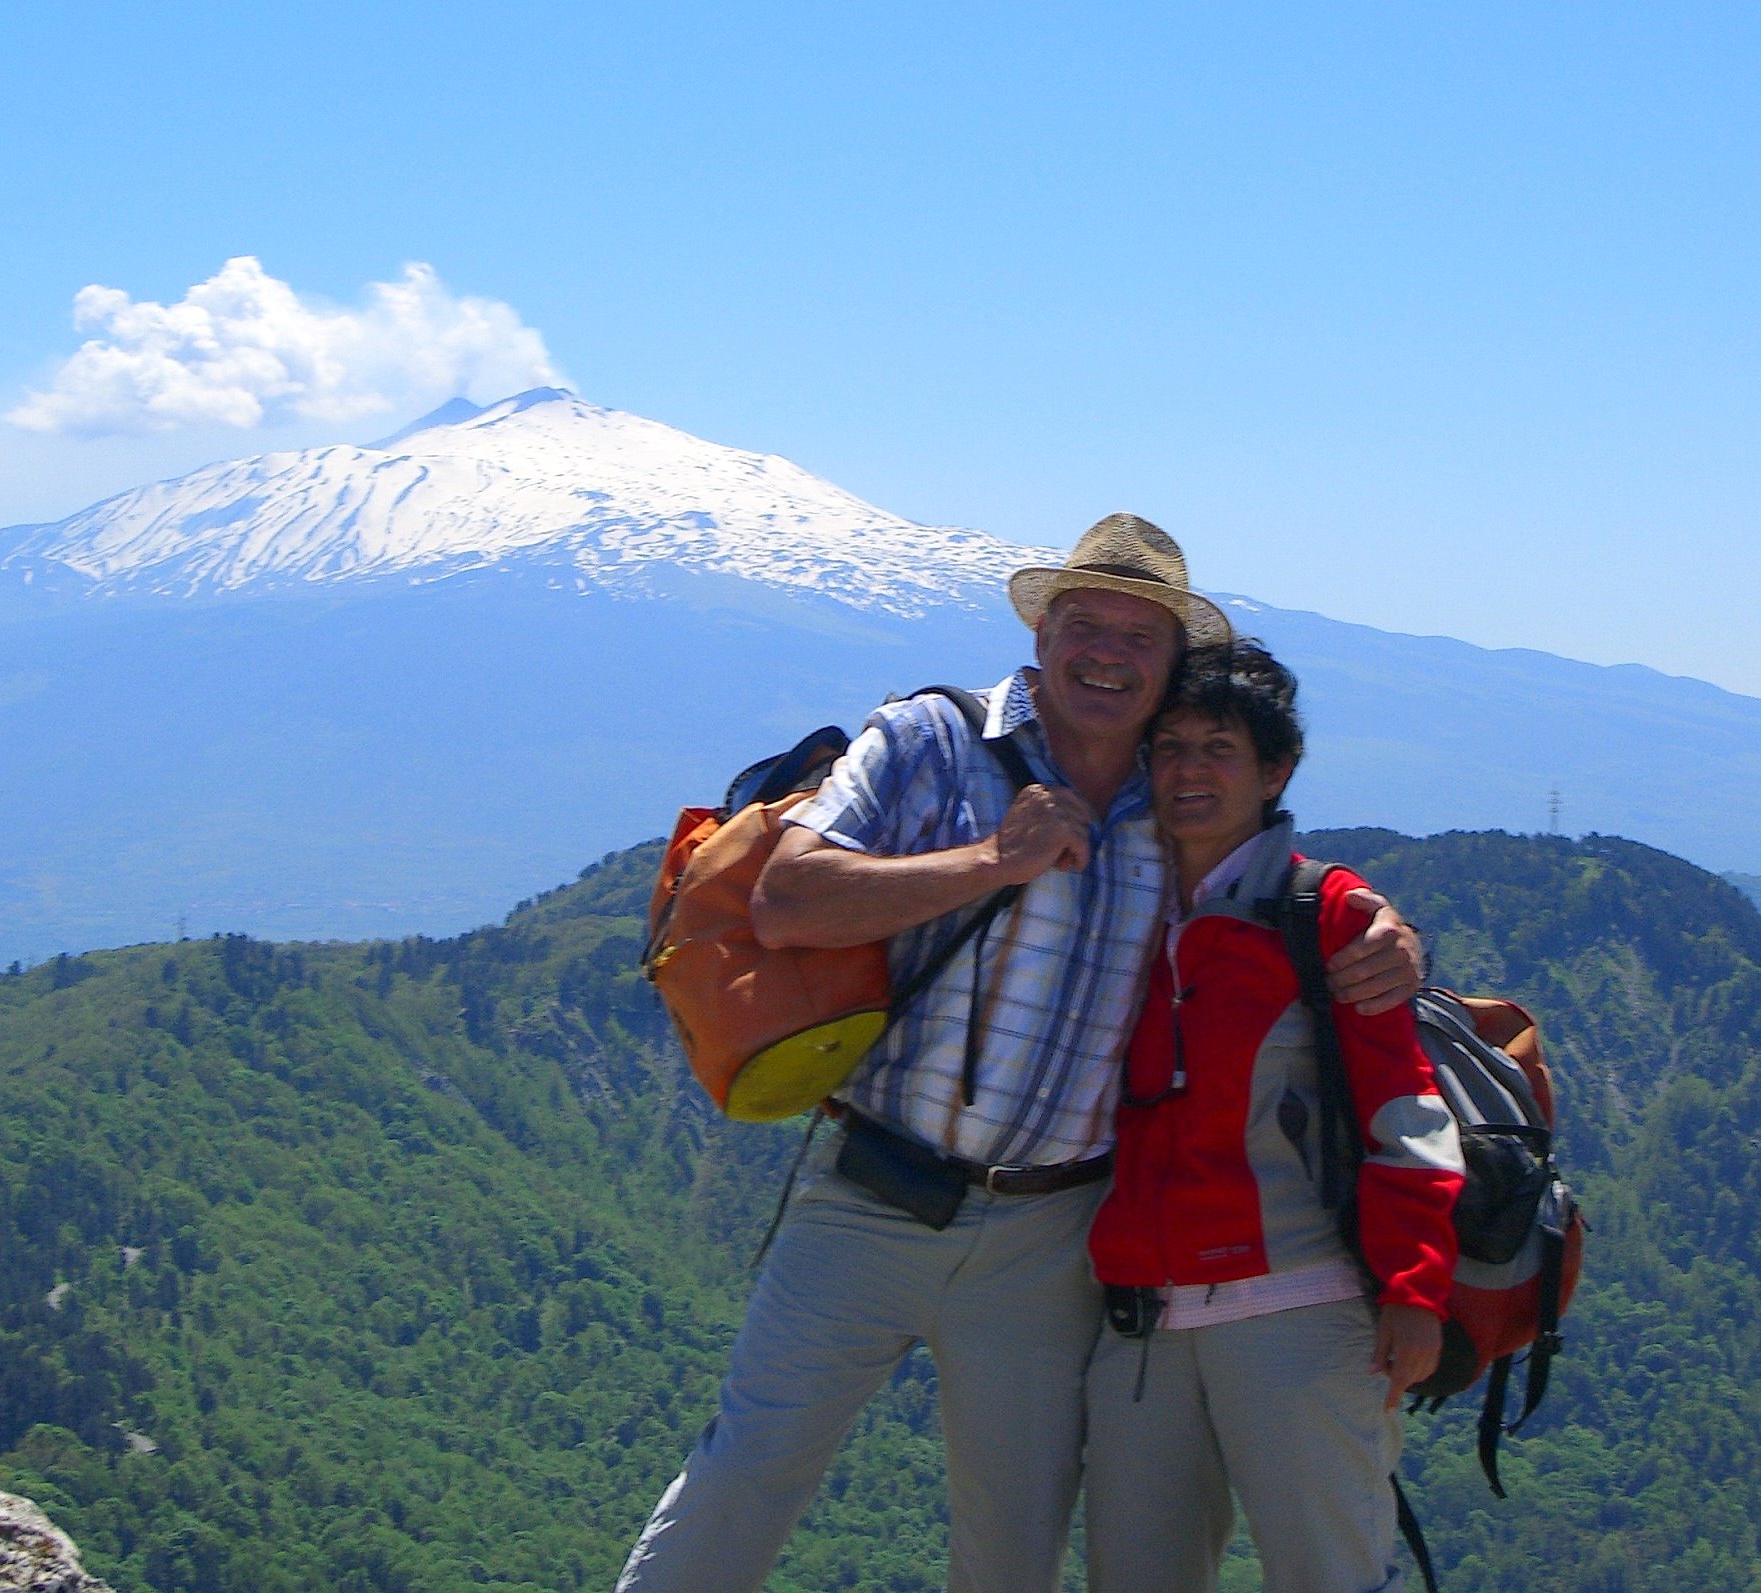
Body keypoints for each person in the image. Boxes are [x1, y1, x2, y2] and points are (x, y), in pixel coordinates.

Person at [616, 514, 1423, 1593]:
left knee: (1014, 1540)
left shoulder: (1167, 791)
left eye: (1141, 637)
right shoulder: (928, 739)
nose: (1108, 653)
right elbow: (787, 898)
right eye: (1086, 622)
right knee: (744, 1475)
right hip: (870, 1189)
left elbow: (1258, 883)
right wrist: (990, 859)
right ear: (1042, 629)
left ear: (1169, 662)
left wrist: (1378, 929)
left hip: (1052, 1235)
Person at [1083, 640, 1465, 1593]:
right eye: (1168, 746)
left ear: (1274, 770)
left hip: (1302, 1311)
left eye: (1218, 747)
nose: (1187, 770)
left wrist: (1417, 1288)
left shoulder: (1325, 916)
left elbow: (1405, 1109)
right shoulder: (1113, 898)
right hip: (1142, 1324)